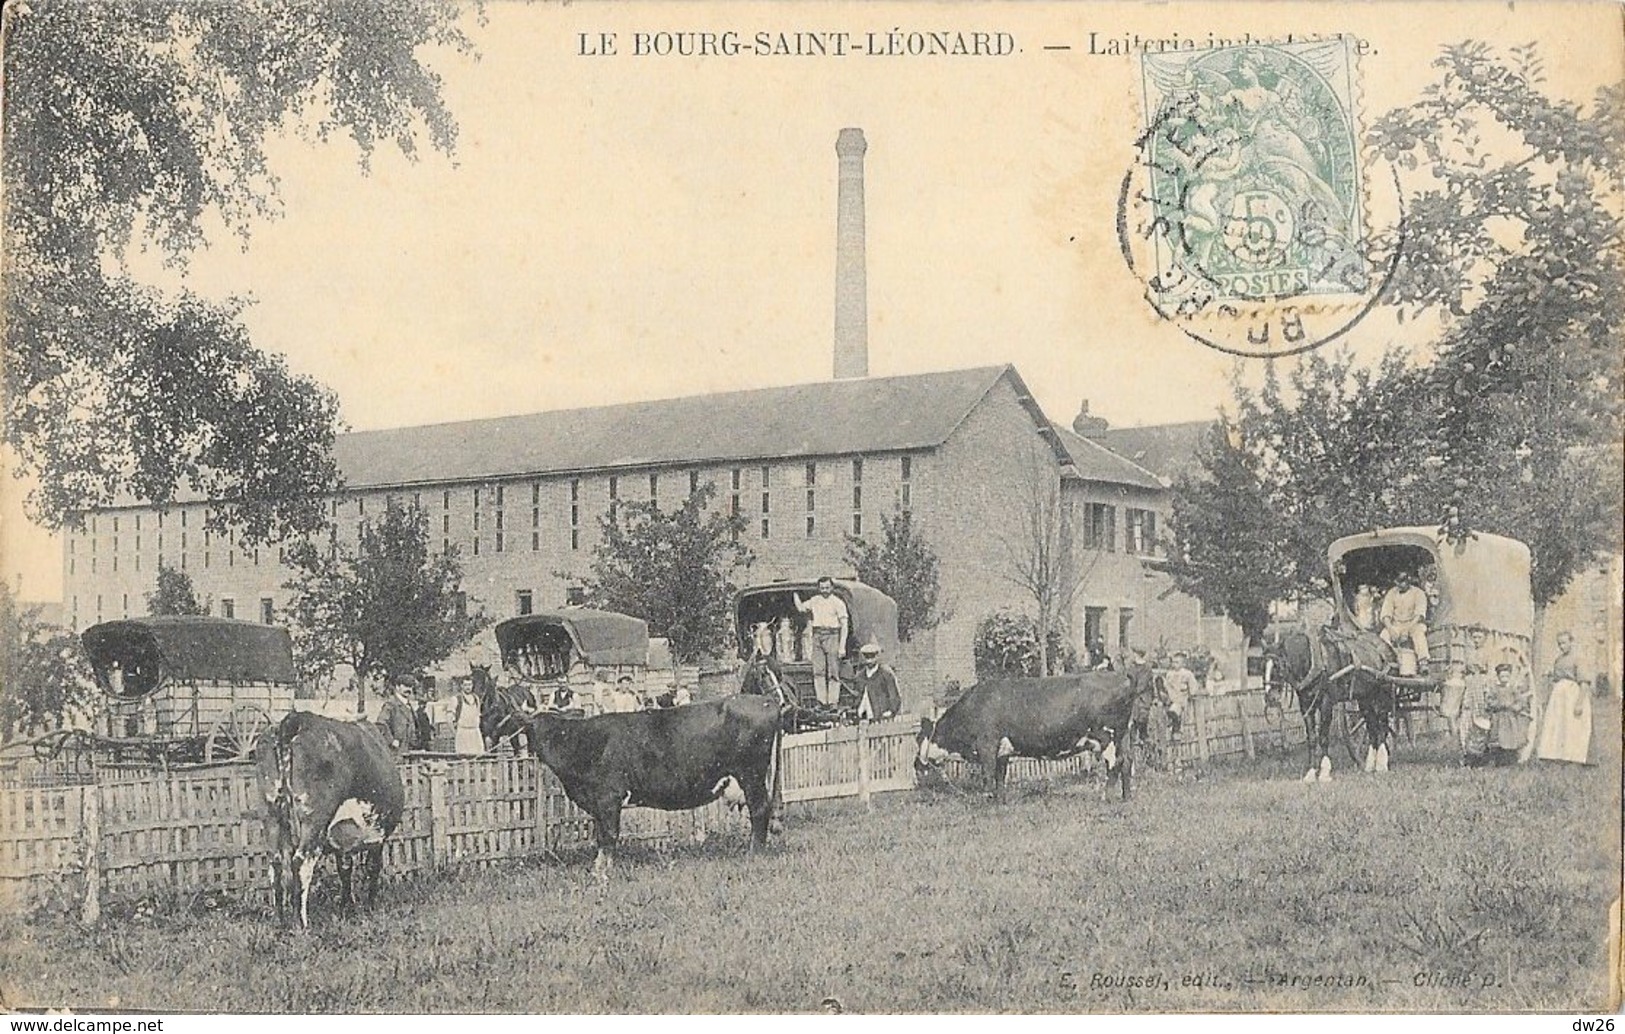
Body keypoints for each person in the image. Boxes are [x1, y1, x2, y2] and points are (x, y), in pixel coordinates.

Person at [1535, 631, 1591, 764]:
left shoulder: (1578, 659)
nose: (1561, 646)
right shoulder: (1558, 660)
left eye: (1564, 643)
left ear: (1571, 642)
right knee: (1557, 725)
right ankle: (1555, 754)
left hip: (1572, 694)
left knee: (1572, 725)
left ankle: (1573, 756)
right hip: (1559, 696)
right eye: (1559, 644)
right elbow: (1555, 679)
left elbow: (1584, 682)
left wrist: (1579, 702)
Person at [793, 577, 849, 706]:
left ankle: (833, 701)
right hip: (817, 635)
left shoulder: (838, 603)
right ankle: (822, 701)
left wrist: (842, 646)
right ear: (819, 588)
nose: (824, 590)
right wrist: (795, 594)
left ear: (832, 588)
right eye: (822, 588)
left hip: (832, 635)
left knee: (833, 671)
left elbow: (844, 625)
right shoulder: (815, 600)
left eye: (827, 587)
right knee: (818, 670)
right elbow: (801, 608)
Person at [1378, 570, 1431, 671]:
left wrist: (1407, 629)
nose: (1400, 586)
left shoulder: (1418, 593)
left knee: (1419, 634)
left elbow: (1419, 615)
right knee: (1383, 635)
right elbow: (1386, 613)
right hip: (1396, 625)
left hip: (1413, 624)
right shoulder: (1392, 593)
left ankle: (1423, 662)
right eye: (1398, 583)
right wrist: (1390, 628)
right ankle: (1389, 662)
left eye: (1403, 583)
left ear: (1408, 581)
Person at [1482, 663, 1533, 766]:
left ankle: (1511, 758)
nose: (1504, 679)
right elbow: (1489, 700)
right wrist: (1498, 705)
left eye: (1506, 676)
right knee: (1498, 738)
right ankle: (1499, 759)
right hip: (1499, 718)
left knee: (1510, 737)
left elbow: (1520, 701)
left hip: (1510, 718)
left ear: (1510, 677)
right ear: (1498, 677)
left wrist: (1514, 707)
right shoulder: (1495, 689)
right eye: (1502, 676)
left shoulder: (1513, 689)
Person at [851, 640, 901, 721]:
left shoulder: (885, 675)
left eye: (872, 657)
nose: (869, 660)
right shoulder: (860, 676)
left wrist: (891, 711)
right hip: (862, 715)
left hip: (880, 715)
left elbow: (894, 695)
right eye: (867, 657)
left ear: (877, 657)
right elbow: (857, 695)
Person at [377, 676, 420, 755]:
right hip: (395, 751)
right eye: (405, 686)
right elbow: (381, 724)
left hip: (409, 751)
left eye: (410, 687)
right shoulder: (391, 704)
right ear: (397, 687)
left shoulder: (409, 706)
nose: (409, 689)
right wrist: (391, 741)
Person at [1162, 652, 1198, 739]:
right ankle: (1172, 729)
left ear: (1183, 664)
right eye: (1173, 662)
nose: (1174, 664)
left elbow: (1193, 686)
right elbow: (1166, 686)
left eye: (1177, 662)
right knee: (1169, 713)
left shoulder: (1187, 674)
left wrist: (1191, 694)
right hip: (1171, 699)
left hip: (1182, 700)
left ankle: (1177, 729)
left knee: (1177, 712)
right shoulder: (1170, 674)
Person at [452, 683, 484, 755]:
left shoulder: (476, 698)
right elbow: (449, 717)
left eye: (469, 685)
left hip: (475, 732)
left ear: (472, 686)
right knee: (463, 756)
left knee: (478, 755)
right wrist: (454, 732)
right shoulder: (456, 699)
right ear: (462, 686)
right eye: (465, 685)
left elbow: (478, 714)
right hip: (463, 731)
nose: (468, 687)